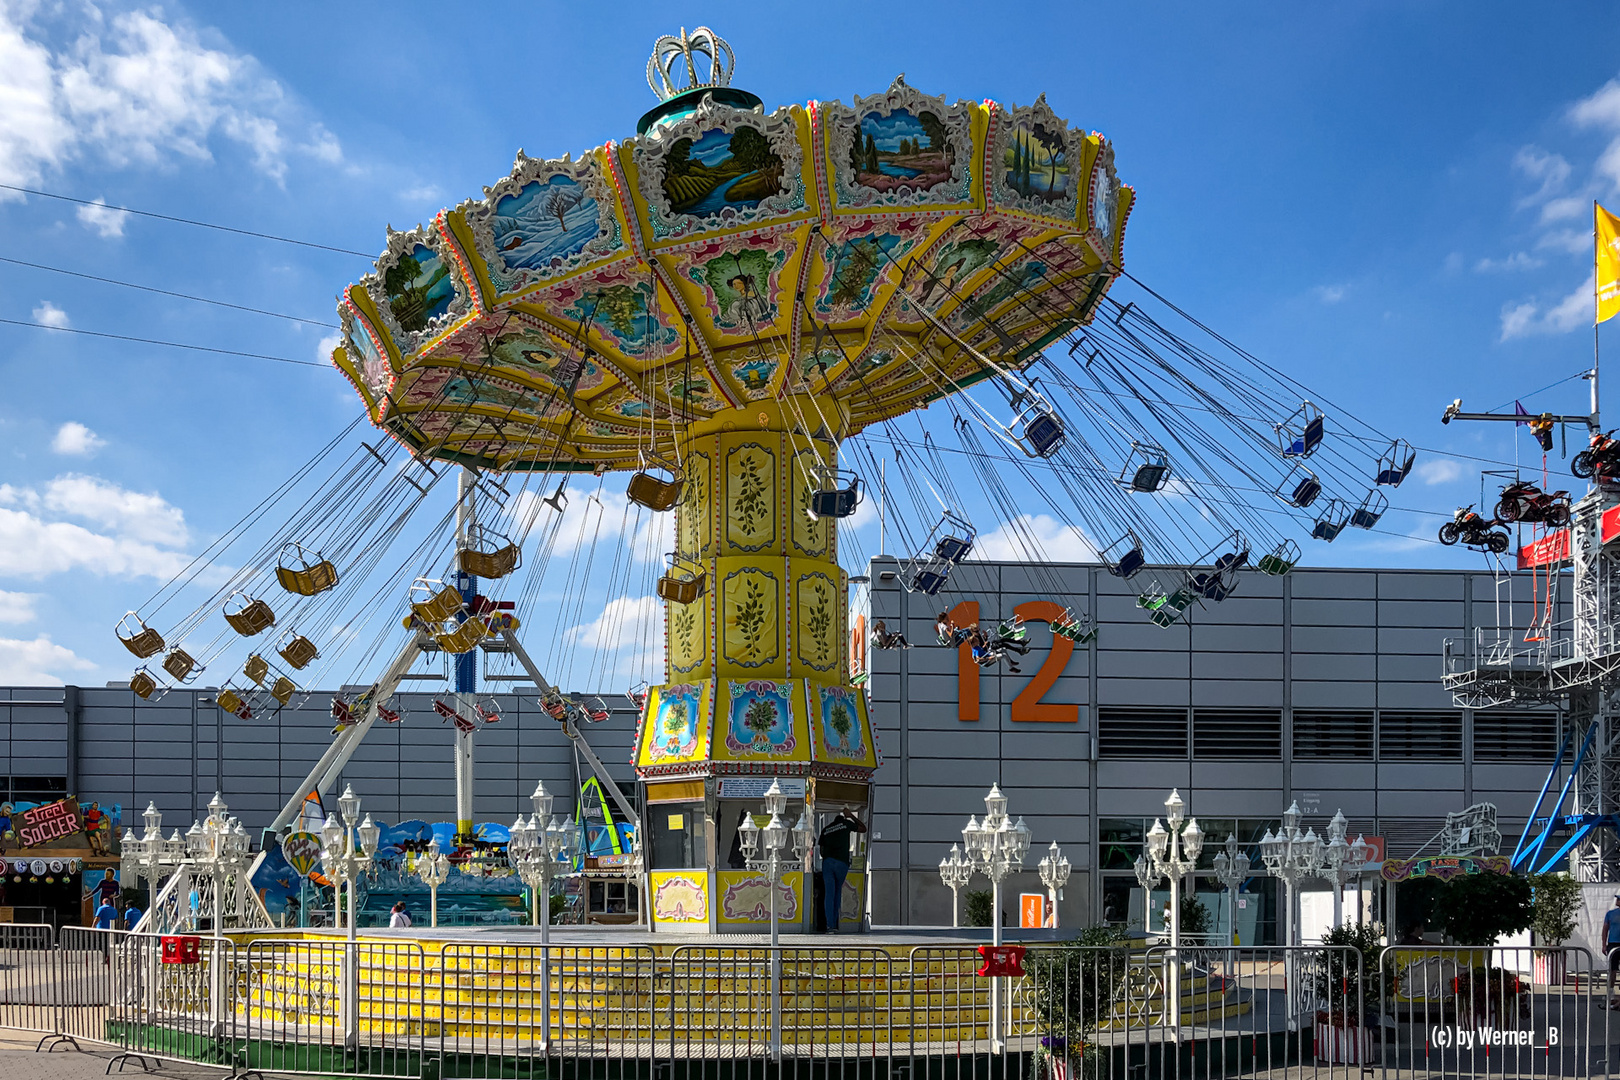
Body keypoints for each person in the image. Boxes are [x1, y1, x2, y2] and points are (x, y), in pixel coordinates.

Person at [817, 807, 867, 934]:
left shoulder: (826, 829)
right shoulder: (846, 824)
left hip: (828, 862)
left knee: (829, 894)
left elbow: (821, 851)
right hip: (841, 863)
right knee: (837, 892)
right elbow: (863, 828)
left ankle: (830, 926)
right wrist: (851, 816)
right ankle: (835, 925)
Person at [1605, 894, 1620, 1007]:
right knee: (1612, 970)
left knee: (1613, 971)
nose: (1617, 901)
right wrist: (1603, 944)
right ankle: (1610, 995)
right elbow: (1605, 929)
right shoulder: (1610, 914)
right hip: (1613, 943)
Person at [93, 898, 119, 965]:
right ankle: (107, 957)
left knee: (101, 944)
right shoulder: (114, 910)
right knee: (108, 943)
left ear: (103, 902)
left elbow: (97, 918)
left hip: (101, 929)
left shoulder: (101, 908)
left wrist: (93, 926)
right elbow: (116, 920)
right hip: (110, 929)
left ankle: (106, 956)